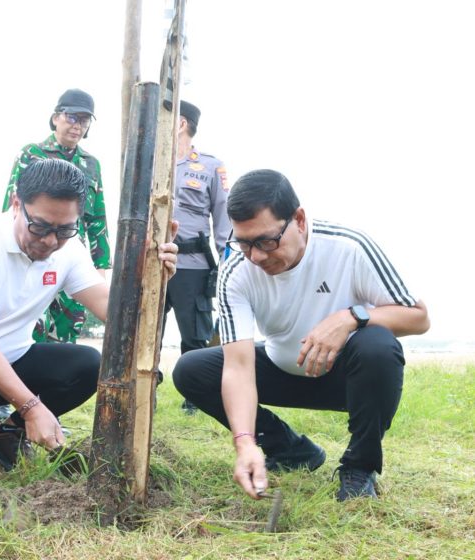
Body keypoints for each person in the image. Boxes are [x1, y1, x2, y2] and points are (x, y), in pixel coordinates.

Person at [0, 159, 178, 472]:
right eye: (40, 226)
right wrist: (31, 407)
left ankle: (7, 434)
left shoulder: (69, 249)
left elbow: (115, 313)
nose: (51, 241)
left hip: (15, 361)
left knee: (89, 365)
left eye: (64, 229)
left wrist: (152, 279)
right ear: (16, 204)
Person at [171, 169, 430, 502]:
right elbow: (238, 367)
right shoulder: (236, 270)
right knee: (192, 369)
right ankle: (289, 449)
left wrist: (351, 317)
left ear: (299, 220)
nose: (257, 256)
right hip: (283, 368)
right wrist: (245, 441)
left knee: (378, 345)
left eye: (266, 241)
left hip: (349, 378)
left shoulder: (348, 248)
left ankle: (359, 469)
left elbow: (419, 317)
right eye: (244, 242)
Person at [0, 88, 111, 424]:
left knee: (68, 326)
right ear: (56, 117)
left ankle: (45, 408)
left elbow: (97, 218)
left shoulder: (91, 164)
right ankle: (3, 397)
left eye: (84, 119)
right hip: (31, 248)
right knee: (24, 324)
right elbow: (11, 202)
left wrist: (100, 266)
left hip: (71, 253)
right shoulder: (32, 153)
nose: (77, 124)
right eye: (72, 116)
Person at [164, 101, 230, 415]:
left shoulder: (210, 166)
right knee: (147, 333)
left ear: (181, 123)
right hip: (152, 264)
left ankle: (195, 396)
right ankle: (146, 387)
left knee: (194, 335)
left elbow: (223, 217)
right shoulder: (152, 162)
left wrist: (228, 261)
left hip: (192, 264)